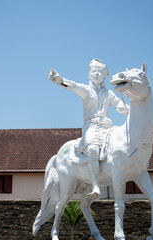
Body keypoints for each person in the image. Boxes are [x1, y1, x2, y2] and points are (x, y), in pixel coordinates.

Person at [49, 59, 129, 198]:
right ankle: (96, 185)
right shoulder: (86, 90)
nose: (97, 74)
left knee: (122, 147)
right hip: (91, 127)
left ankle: (121, 188)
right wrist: (59, 80)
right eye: (94, 72)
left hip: (108, 127)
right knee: (92, 149)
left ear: (105, 76)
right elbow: (73, 86)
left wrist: (126, 108)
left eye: (100, 72)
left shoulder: (108, 93)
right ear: (89, 74)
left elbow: (118, 104)